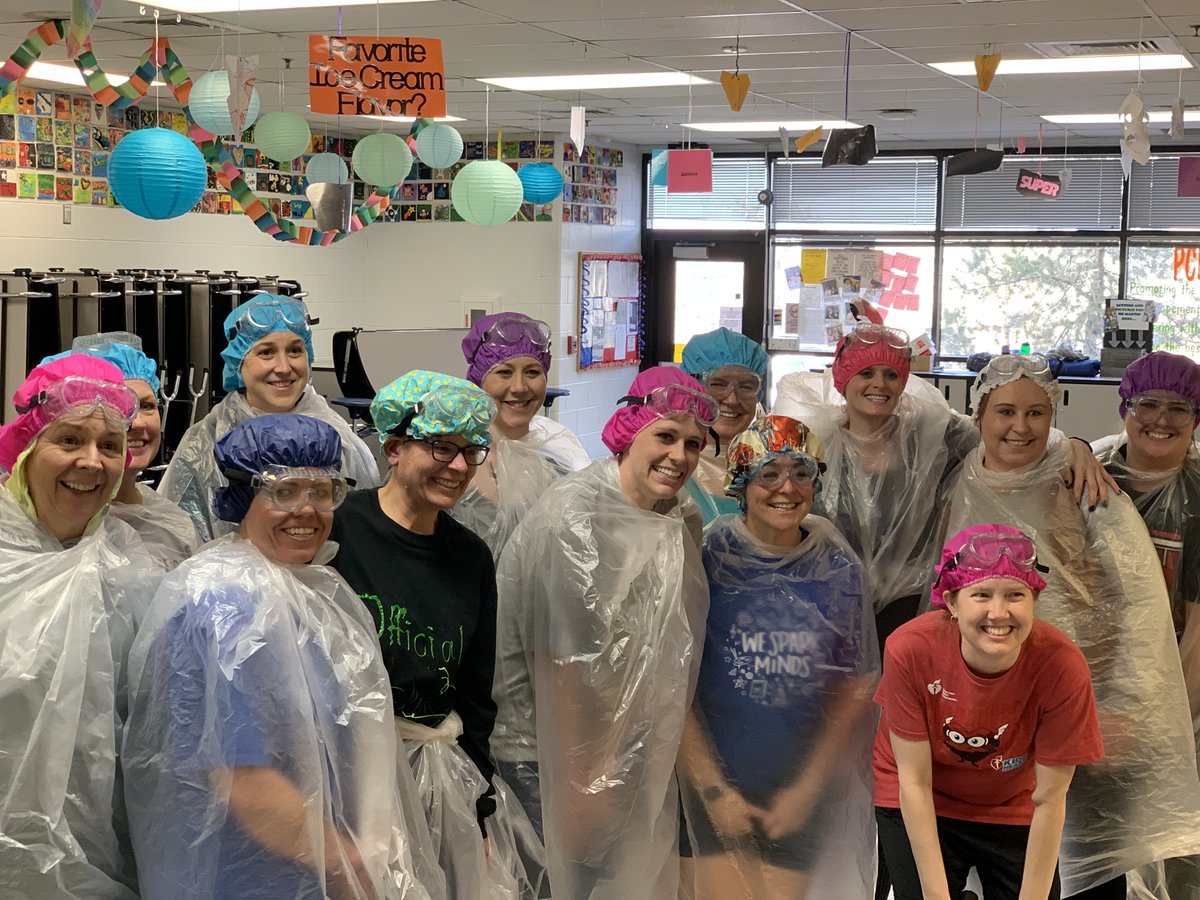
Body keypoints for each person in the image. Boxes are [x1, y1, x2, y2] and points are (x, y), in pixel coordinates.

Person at [122, 413, 440, 900]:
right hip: (248, 875)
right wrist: (348, 868)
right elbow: (242, 778)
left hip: (309, 864)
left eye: (323, 492)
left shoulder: (307, 590)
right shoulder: (227, 603)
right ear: (243, 496)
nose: (306, 510)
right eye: (284, 491)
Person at [940, 353, 1200, 899]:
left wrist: (1123, 707)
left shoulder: (1084, 487)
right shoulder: (956, 480)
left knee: (1077, 856)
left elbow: (1127, 611)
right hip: (978, 707)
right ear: (978, 412)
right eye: (1006, 410)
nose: (1020, 426)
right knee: (995, 855)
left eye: (1036, 412)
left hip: (1078, 704)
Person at [493, 365, 713, 900]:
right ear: (627, 431)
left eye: (692, 443)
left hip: (622, 743)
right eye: (664, 436)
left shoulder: (676, 514)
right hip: (547, 748)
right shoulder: (576, 519)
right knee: (555, 883)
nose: (679, 456)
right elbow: (563, 664)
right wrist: (584, 787)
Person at [774, 324, 1114, 652]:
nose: (879, 384)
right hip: (834, 599)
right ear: (843, 379)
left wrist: (1076, 445)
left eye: (891, 375)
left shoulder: (931, 433)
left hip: (910, 602)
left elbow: (1004, 436)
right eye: (866, 374)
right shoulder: (817, 442)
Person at [329, 370, 533, 900]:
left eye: (473, 450)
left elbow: (474, 696)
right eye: (442, 447)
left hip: (435, 783)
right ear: (394, 447)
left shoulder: (469, 557)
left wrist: (480, 807)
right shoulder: (337, 530)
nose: (460, 466)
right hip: (343, 782)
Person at [677, 414, 878, 900]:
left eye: (801, 472)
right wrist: (713, 790)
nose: (786, 487)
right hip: (708, 780)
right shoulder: (708, 557)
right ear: (741, 483)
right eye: (769, 472)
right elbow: (672, 679)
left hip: (795, 788)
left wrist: (808, 788)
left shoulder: (836, 566)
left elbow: (855, 684)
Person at [0, 353, 161, 899]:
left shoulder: (130, 566)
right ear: (23, 447)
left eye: (109, 446)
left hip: (105, 859)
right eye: (68, 440)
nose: (91, 462)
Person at [874, 525, 1103, 900]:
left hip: (1012, 802)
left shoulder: (1062, 667)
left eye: (1015, 595)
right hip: (921, 794)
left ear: (1034, 600)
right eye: (981, 594)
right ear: (951, 602)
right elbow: (913, 783)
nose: (999, 613)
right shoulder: (910, 650)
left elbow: (1050, 798)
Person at [1094, 351, 1200, 900]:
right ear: (1124, 408)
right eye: (1148, 404)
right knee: (1094, 850)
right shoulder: (1088, 476)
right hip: (1093, 695)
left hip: (1180, 695)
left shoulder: (1198, 496)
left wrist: (1164, 725)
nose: (1161, 419)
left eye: (1180, 408)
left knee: (1172, 843)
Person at [159, 294, 381, 543]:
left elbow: (363, 533)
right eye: (266, 352)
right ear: (238, 363)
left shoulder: (342, 440)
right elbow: (180, 541)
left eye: (295, 350)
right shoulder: (203, 444)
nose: (284, 367)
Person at [46, 332, 199, 569]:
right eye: (116, 407)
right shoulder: (46, 527)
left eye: (147, 406)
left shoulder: (171, 523)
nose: (137, 423)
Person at [453, 312, 589, 560]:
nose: (519, 387)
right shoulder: (455, 451)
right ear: (478, 381)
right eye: (504, 373)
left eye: (532, 372)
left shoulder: (559, 445)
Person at [680, 327, 770, 522]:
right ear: (691, 388)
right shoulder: (667, 462)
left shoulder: (777, 464)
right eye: (718, 383)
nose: (732, 399)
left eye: (747, 386)